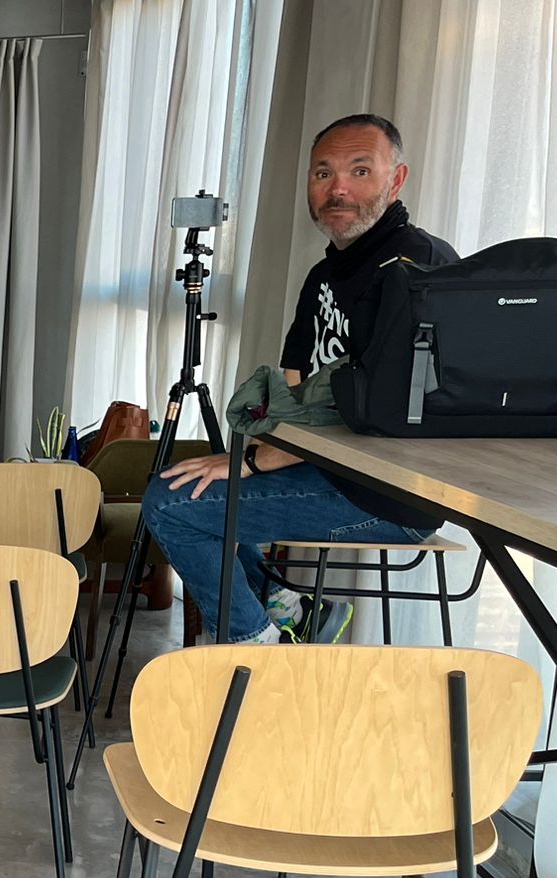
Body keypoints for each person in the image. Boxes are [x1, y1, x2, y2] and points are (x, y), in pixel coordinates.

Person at [144, 113, 456, 645]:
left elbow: (382, 409)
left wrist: (251, 463)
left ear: (396, 179)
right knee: (190, 485)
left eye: (360, 171)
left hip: (389, 495)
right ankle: (291, 610)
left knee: (171, 506)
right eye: (323, 173)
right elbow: (292, 384)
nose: (338, 188)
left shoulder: (418, 268)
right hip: (331, 473)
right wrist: (245, 458)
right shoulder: (325, 274)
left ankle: (257, 650)